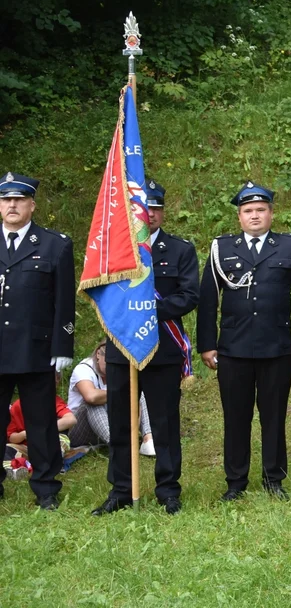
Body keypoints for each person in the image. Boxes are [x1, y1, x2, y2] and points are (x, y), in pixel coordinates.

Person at [198, 181, 291, 503]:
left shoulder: (289, 247)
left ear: (271, 214)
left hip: (276, 347)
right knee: (235, 417)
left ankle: (273, 479)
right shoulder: (221, 249)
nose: (254, 216)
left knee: (273, 416)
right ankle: (235, 481)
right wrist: (207, 344)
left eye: (260, 210)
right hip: (233, 350)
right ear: (239, 216)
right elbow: (208, 298)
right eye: (248, 211)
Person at [93, 180, 200, 515]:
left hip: (162, 348)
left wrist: (147, 310)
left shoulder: (180, 250)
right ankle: (122, 490)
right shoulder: (114, 251)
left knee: (165, 423)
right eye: (144, 208)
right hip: (122, 348)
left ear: (162, 212)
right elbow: (101, 294)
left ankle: (168, 490)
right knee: (122, 422)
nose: (149, 214)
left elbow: (189, 295)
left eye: (155, 208)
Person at [0, 172, 75, 510]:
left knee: (41, 421)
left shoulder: (54, 244)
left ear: (32, 205)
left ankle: (46, 488)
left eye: (18, 200)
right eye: (6, 200)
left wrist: (62, 346)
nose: (11, 205)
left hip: (36, 348)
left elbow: (64, 302)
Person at [66, 340, 152, 450]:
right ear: (98, 354)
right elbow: (90, 396)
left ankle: (148, 439)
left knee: (138, 391)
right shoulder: (83, 369)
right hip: (78, 429)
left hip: (109, 422)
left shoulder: (119, 370)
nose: (112, 367)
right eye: (108, 362)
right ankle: (118, 445)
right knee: (92, 402)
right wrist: (122, 393)